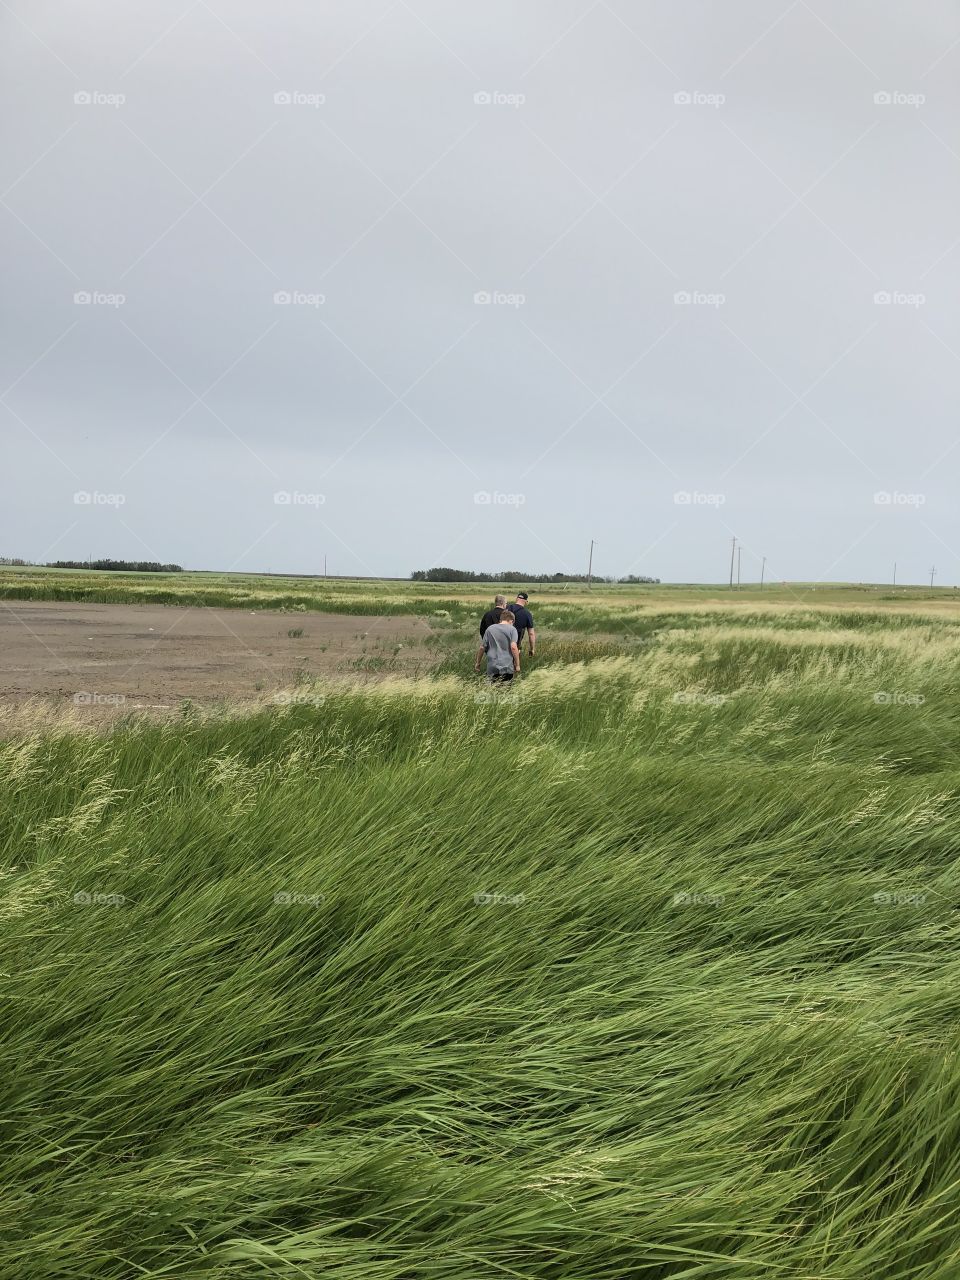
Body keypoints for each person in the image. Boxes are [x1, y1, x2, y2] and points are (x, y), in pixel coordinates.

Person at [476, 609, 520, 682]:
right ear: (511, 621)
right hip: (507, 666)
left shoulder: (490, 629)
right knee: (506, 687)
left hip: (492, 665)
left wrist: (478, 663)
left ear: (500, 620)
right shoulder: (512, 629)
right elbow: (513, 647)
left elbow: (482, 647)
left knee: (492, 687)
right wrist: (517, 664)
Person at [475, 594, 506, 671]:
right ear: (502, 603)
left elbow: (482, 631)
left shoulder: (487, 614)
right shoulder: (507, 615)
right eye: (506, 603)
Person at [509, 592, 536, 657]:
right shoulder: (527, 614)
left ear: (516, 599)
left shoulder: (505, 608)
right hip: (515, 645)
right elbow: (531, 634)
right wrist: (532, 649)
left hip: (500, 643)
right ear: (526, 602)